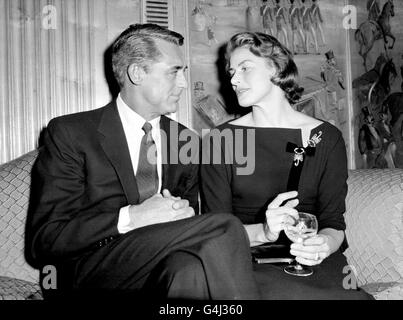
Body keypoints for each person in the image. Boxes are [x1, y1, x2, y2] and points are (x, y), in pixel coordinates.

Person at [26, 23, 259, 300]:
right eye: (174, 72)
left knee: (190, 269)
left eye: (183, 72)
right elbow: (44, 240)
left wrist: (185, 215)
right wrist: (133, 217)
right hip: (87, 273)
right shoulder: (71, 133)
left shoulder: (185, 140)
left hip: (158, 267)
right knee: (223, 226)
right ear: (137, 73)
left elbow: (191, 222)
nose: (184, 83)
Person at [200, 31, 373, 299]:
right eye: (232, 71)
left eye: (245, 68)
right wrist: (266, 232)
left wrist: (323, 244)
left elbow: (333, 222)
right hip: (245, 261)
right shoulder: (219, 140)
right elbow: (216, 232)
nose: (233, 79)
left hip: (315, 262)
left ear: (277, 68)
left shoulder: (326, 138)